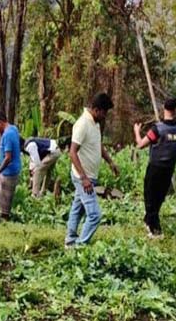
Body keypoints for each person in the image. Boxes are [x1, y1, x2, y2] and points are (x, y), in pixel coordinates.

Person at [65, 93, 121, 248]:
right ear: (96, 110)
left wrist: (111, 162)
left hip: (90, 176)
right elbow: (72, 152)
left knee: (78, 208)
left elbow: (98, 145)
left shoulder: (95, 123)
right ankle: (80, 245)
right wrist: (83, 178)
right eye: (104, 112)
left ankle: (70, 241)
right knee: (95, 215)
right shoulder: (82, 124)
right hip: (83, 177)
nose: (105, 116)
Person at [133, 98, 176, 238]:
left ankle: (155, 230)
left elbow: (140, 144)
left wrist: (137, 131)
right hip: (169, 168)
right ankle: (148, 221)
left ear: (164, 108)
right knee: (159, 197)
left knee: (150, 197)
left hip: (155, 167)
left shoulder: (157, 129)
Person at [0, 111, 22, 222]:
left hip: (9, 172)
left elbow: (8, 157)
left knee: (5, 199)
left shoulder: (8, 135)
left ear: (0, 122)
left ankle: (5, 219)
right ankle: (2, 215)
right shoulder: (13, 129)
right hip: (10, 170)